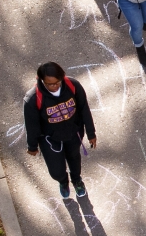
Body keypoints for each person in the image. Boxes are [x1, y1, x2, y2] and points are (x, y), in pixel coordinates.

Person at [24, 62, 98, 199]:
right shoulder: (33, 98)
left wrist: (91, 133)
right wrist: (32, 146)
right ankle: (63, 182)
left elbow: (84, 109)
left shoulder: (73, 86)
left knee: (74, 159)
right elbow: (31, 125)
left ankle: (77, 180)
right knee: (56, 171)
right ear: (41, 80)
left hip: (73, 133)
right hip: (50, 139)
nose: (55, 86)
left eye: (57, 82)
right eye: (50, 84)